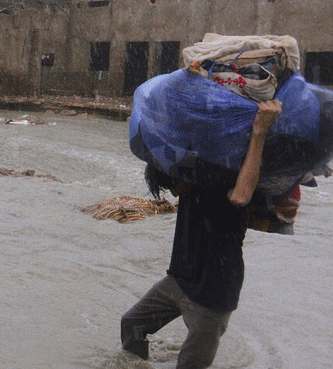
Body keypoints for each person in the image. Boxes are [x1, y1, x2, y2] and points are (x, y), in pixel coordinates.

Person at [120, 99, 283, 368]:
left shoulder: (223, 184)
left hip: (212, 297)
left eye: (173, 185)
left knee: (189, 365)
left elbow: (243, 195)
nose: (173, 193)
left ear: (183, 174)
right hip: (178, 282)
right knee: (132, 324)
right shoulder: (194, 167)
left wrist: (259, 131)